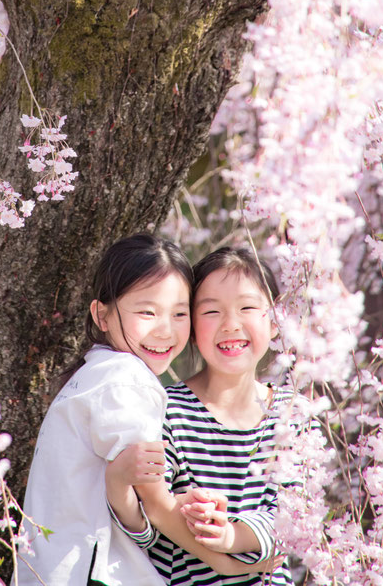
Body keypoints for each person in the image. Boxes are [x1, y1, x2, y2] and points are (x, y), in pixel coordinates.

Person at [16, 235, 268, 586]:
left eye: (179, 314)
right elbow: (153, 501)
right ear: (101, 315)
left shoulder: (96, 373)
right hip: (88, 570)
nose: (165, 330)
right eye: (147, 312)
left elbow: (142, 503)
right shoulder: (126, 380)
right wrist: (224, 563)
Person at [106, 246, 299, 586]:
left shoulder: (293, 413)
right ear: (192, 327)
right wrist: (187, 515)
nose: (231, 324)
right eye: (211, 311)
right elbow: (146, 530)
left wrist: (231, 536)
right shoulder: (165, 410)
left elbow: (297, 519)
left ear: (275, 321)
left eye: (247, 308)